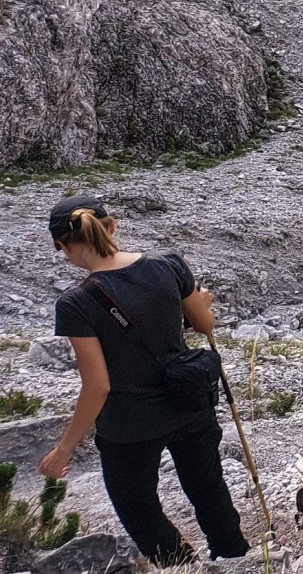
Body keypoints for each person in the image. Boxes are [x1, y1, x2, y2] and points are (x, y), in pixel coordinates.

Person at [38, 196, 250, 565]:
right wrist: (202, 301)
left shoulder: (75, 303)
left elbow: (97, 385)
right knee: (208, 488)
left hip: (129, 426)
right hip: (189, 403)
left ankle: (183, 568)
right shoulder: (167, 263)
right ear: (112, 226)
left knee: (140, 510)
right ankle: (235, 558)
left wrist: (65, 449)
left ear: (64, 247)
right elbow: (204, 325)